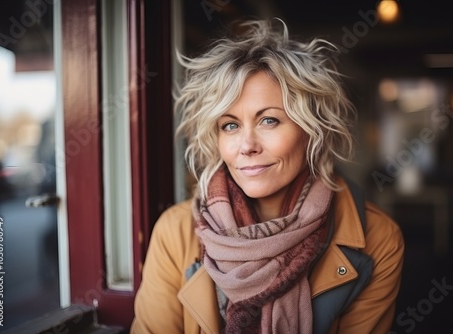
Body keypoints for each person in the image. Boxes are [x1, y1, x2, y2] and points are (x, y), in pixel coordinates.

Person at [131, 19, 404, 334]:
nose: (246, 146)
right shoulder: (174, 233)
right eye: (230, 125)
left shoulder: (378, 240)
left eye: (269, 120)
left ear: (312, 129)